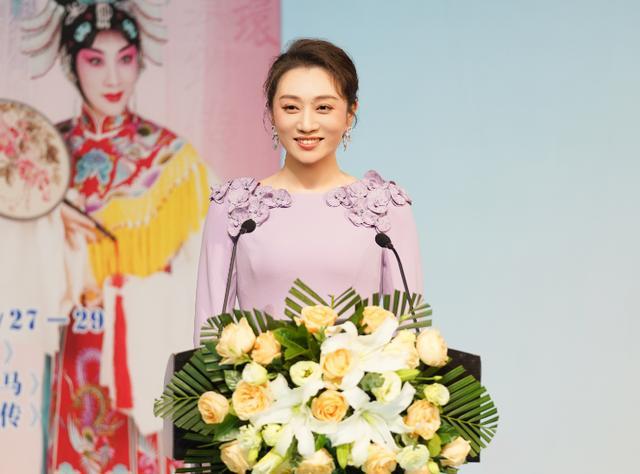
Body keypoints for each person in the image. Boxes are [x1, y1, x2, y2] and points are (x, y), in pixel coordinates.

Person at [22, 1, 209, 472]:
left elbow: (199, 273)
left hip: (147, 347)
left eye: (125, 59)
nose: (112, 77)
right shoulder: (44, 156)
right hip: (72, 345)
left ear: (139, 62)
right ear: (72, 65)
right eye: (95, 60)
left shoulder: (171, 160)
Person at [194, 38, 423, 344]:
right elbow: (208, 338)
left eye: (323, 107)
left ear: (350, 113)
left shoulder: (385, 208)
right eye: (291, 107)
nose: (306, 124)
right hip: (253, 376)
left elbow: (408, 336)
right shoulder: (234, 208)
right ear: (271, 113)